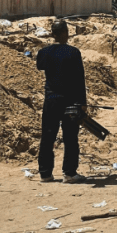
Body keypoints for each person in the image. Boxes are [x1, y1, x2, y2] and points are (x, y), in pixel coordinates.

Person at [36, 20, 86, 182]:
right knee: (70, 137)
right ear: (65, 32)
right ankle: (69, 173)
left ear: (52, 34)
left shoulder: (44, 53)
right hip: (70, 101)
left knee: (48, 136)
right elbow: (79, 79)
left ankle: (45, 173)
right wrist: (82, 102)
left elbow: (40, 66)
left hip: (51, 100)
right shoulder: (73, 52)